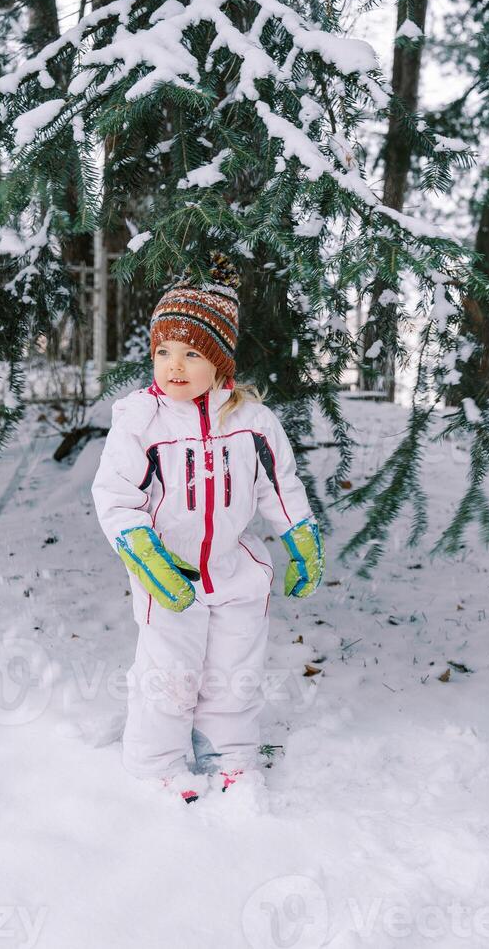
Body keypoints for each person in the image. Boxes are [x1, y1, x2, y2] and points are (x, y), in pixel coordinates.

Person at [91, 254, 324, 804]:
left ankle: (230, 756)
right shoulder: (140, 423)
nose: (174, 364)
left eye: (192, 352)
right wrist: (146, 557)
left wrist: (301, 538)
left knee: (235, 669)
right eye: (164, 351)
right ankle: (157, 764)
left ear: (220, 364)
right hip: (168, 575)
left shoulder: (252, 421)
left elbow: (279, 484)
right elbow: (116, 498)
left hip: (235, 570)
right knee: (169, 674)